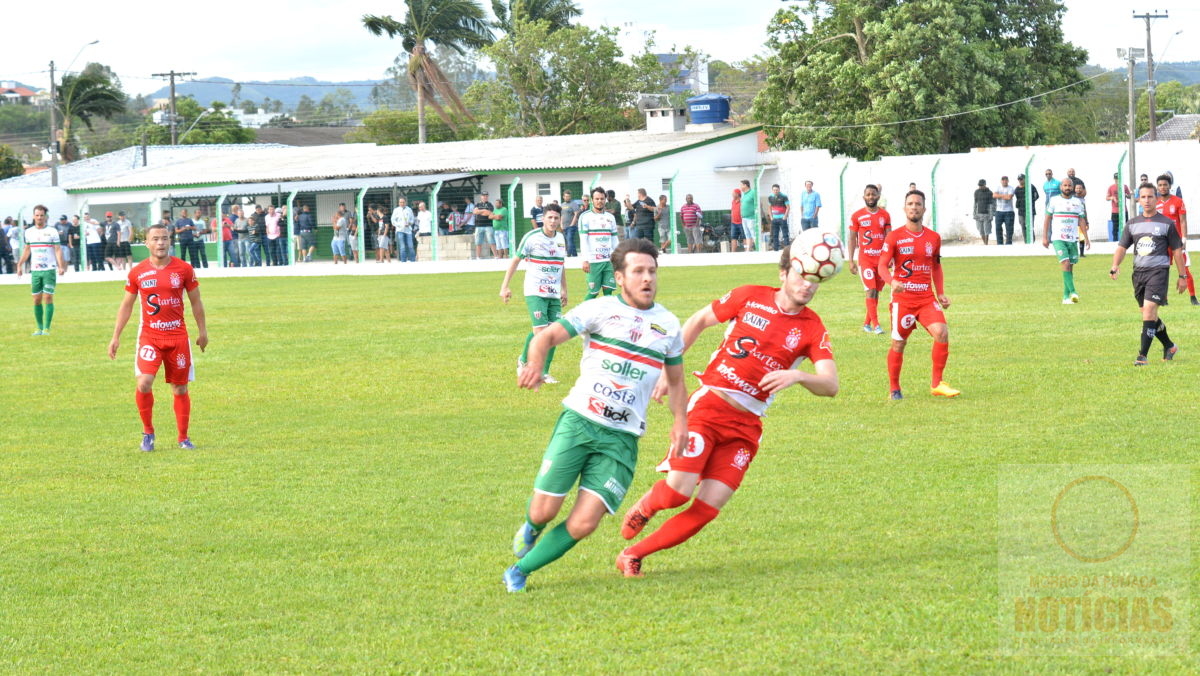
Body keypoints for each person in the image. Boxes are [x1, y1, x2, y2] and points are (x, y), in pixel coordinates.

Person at [616, 245, 839, 577]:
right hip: (709, 408)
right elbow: (699, 320)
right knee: (678, 493)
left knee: (708, 507)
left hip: (746, 427)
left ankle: (633, 555)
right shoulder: (749, 296)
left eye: (814, 280)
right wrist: (667, 369)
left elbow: (830, 384)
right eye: (801, 275)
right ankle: (648, 504)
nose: (807, 285)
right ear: (783, 274)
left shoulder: (811, 328)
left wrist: (799, 375)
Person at [502, 238, 686, 593]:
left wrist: (681, 423)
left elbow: (676, 383)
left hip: (622, 439)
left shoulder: (668, 325)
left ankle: (519, 571)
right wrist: (535, 364)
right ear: (619, 277)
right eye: (638, 271)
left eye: (652, 271)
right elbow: (546, 337)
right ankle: (532, 526)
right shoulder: (598, 309)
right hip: (580, 422)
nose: (647, 278)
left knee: (586, 522)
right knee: (543, 511)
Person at [108, 221, 208, 452]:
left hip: (177, 337)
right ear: (146, 243)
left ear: (170, 241)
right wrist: (116, 336)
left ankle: (183, 438)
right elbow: (126, 306)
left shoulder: (184, 269)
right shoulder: (137, 272)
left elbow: (196, 302)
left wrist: (202, 331)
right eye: (155, 239)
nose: (160, 243)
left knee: (180, 388)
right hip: (150, 337)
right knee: (143, 382)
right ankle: (148, 433)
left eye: (164, 238)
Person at [877, 190, 959, 400]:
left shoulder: (933, 237)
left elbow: (936, 267)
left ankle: (937, 384)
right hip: (903, 301)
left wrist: (940, 293)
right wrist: (892, 281)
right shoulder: (894, 236)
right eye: (910, 203)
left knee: (941, 332)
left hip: (926, 299)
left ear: (924, 208)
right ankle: (894, 388)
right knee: (899, 343)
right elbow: (882, 266)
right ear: (905, 208)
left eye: (918, 204)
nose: (914, 207)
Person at [1110, 182, 1188, 365]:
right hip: (1139, 274)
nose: (1146, 200)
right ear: (1138, 199)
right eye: (1143, 197)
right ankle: (1169, 345)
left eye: (1150, 197)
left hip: (1159, 272)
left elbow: (1177, 251)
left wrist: (1182, 276)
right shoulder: (1133, 223)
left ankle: (1142, 356)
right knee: (1148, 314)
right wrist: (1115, 265)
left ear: (1156, 199)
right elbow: (1122, 247)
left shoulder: (1167, 224)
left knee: (1149, 311)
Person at [500, 203, 568, 384]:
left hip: (553, 292)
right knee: (541, 333)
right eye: (550, 218)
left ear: (560, 219)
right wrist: (504, 286)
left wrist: (564, 289)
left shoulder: (561, 238)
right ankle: (524, 362)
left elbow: (561, 265)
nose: (553, 221)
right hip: (535, 290)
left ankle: (544, 372)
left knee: (553, 333)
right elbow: (515, 260)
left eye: (556, 218)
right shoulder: (531, 237)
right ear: (543, 219)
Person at [16, 205, 67, 335]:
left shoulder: (52, 231)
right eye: (37, 215)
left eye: (41, 215)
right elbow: (27, 249)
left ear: (45, 217)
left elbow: (57, 250)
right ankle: (38, 328)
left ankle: (46, 328)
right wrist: (20, 264)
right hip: (35, 271)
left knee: (48, 297)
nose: (39, 217)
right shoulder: (29, 232)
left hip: (49, 270)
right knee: (36, 299)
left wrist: (61, 266)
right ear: (34, 216)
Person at [848, 184, 892, 334]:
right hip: (865, 260)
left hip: (881, 261)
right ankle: (876, 325)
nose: (871, 197)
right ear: (864, 197)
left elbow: (889, 237)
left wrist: (891, 257)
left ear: (878, 196)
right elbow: (852, 238)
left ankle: (867, 323)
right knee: (870, 290)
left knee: (876, 292)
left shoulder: (885, 215)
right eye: (868, 194)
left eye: (873, 194)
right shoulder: (857, 216)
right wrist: (851, 260)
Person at [1043, 178, 1089, 304]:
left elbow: (1081, 220)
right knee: (1066, 263)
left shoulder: (1077, 202)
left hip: (1072, 239)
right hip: (1058, 239)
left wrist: (1086, 237)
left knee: (1069, 268)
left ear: (1072, 187)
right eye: (1065, 185)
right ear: (1061, 187)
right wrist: (1045, 237)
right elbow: (1047, 218)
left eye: (1069, 185)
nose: (1067, 187)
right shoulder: (1054, 200)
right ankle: (1073, 292)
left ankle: (1065, 297)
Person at [1154, 173, 1195, 305]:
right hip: (1161, 242)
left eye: (1165, 185)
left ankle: (1193, 297)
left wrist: (1184, 239)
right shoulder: (1155, 203)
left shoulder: (1178, 201)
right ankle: (1163, 299)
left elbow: (1182, 221)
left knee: (1185, 270)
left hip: (1176, 242)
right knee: (1162, 270)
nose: (1162, 187)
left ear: (1170, 186)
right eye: (1160, 185)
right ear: (1157, 187)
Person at [578, 186, 619, 300]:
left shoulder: (610, 217)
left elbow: (614, 239)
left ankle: (608, 316)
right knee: (593, 293)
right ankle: (580, 314)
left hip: (608, 260)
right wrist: (585, 260)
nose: (599, 201)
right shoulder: (585, 217)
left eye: (602, 198)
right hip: (593, 261)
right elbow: (583, 240)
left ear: (605, 199)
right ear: (592, 200)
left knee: (608, 291)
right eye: (597, 199)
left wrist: (618, 256)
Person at [1014, 174, 1039, 243]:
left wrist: (1030, 202)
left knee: (1030, 227)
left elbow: (1036, 196)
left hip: (1030, 211)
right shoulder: (1017, 189)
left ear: (1025, 179)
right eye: (1019, 179)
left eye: (1021, 179)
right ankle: (1026, 242)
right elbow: (1017, 198)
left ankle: (1032, 241)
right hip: (1021, 211)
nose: (1020, 180)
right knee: (1023, 227)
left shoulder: (1031, 186)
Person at [1107, 173, 1131, 243]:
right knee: (1115, 228)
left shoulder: (1125, 186)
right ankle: (1115, 243)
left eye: (1119, 179)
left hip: (1124, 211)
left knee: (1126, 228)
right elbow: (1107, 197)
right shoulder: (1111, 187)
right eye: (1116, 179)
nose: (1117, 180)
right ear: (1114, 179)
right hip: (1115, 211)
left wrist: (1127, 195)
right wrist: (1112, 197)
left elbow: (1129, 196)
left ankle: (1126, 242)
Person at [993, 176, 1016, 245]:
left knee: (1009, 229)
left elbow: (1009, 197)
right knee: (998, 228)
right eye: (1003, 180)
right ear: (1001, 181)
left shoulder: (1011, 188)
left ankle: (1008, 243)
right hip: (999, 211)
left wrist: (999, 195)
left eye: (1006, 180)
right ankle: (1000, 244)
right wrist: (1004, 196)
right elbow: (994, 195)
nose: (1004, 181)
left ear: (1008, 181)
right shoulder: (997, 187)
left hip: (1009, 211)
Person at [472, 192, 495, 260]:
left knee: (491, 241)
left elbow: (488, 213)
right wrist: (484, 210)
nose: (485, 197)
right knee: (478, 242)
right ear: (481, 197)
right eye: (483, 196)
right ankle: (478, 257)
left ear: (487, 197)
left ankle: (495, 256)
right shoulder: (477, 204)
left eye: (486, 196)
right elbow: (475, 212)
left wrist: (480, 211)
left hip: (488, 226)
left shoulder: (490, 204)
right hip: (479, 226)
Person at [767, 184, 790, 251]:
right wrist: (771, 217)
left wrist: (785, 216)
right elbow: (769, 208)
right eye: (774, 190)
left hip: (782, 218)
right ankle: (775, 249)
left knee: (785, 234)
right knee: (775, 235)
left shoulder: (784, 196)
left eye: (777, 190)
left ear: (779, 190)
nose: (775, 191)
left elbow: (788, 207)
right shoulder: (770, 197)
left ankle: (787, 249)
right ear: (772, 190)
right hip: (774, 218)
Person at [393, 197, 416, 263]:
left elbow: (412, 219)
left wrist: (409, 223)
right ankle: (403, 261)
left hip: (408, 230)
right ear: (398, 203)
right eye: (400, 202)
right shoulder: (396, 210)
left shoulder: (409, 209)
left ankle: (412, 260)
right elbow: (393, 220)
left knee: (410, 245)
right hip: (400, 230)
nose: (402, 203)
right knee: (402, 246)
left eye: (403, 202)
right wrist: (400, 225)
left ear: (405, 202)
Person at [972, 179, 994, 245]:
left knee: (987, 230)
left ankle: (986, 244)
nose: (980, 187)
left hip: (987, 214)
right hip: (978, 214)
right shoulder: (976, 192)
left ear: (985, 185)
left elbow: (992, 204)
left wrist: (991, 214)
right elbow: (975, 203)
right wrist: (974, 213)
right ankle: (984, 243)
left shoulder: (990, 192)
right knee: (980, 230)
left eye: (981, 185)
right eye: (979, 185)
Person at [738, 179, 758, 252]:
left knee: (754, 234)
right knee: (747, 235)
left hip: (751, 218)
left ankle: (758, 249)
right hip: (744, 218)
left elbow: (758, 203)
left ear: (745, 185)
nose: (740, 187)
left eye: (741, 185)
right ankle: (748, 250)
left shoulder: (753, 192)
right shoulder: (744, 194)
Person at [560, 190, 582, 256]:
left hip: (571, 226)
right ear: (563, 197)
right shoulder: (562, 205)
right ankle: (575, 255)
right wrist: (561, 225)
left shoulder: (573, 204)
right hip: (564, 226)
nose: (567, 198)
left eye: (569, 196)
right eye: (566, 196)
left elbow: (576, 214)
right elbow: (561, 215)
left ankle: (568, 255)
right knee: (569, 241)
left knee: (569, 240)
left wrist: (572, 224)